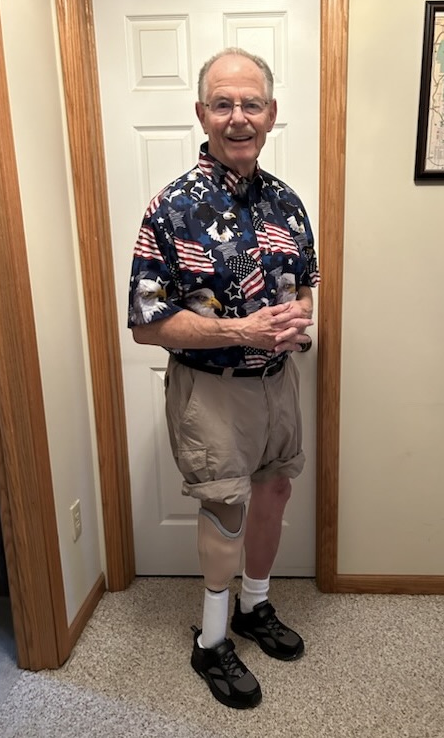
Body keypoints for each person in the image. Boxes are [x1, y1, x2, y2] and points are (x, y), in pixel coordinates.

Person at [128, 47, 320, 709]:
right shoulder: (171, 208)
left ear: (271, 113)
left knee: (274, 491)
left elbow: (305, 286)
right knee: (226, 505)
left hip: (279, 381)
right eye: (223, 103)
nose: (238, 117)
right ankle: (211, 642)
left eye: (251, 104)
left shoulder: (287, 202)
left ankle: (253, 606)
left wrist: (296, 323)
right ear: (202, 113)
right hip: (211, 389)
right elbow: (147, 324)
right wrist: (241, 330)